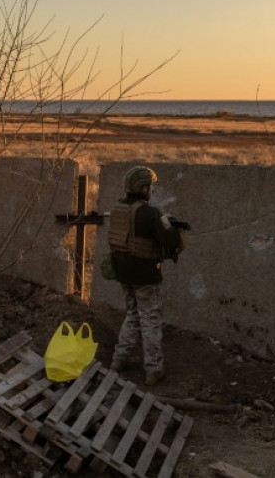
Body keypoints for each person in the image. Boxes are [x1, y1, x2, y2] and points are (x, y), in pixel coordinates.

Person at [107, 165, 185, 386]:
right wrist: (172, 227)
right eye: (150, 186)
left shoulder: (117, 209)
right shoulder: (151, 213)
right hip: (145, 275)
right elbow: (171, 241)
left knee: (132, 314)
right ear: (143, 188)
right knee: (150, 320)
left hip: (122, 271)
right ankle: (154, 369)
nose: (151, 190)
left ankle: (119, 359)